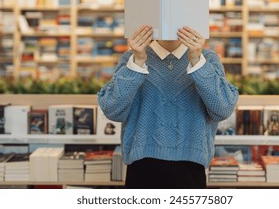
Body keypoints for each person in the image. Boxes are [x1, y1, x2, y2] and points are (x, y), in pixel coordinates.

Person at [97, 25, 239, 188]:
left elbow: (222, 109)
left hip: (191, 169)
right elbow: (112, 110)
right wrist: (137, 62)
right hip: (141, 169)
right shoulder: (132, 56)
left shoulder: (208, 58)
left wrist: (196, 61)